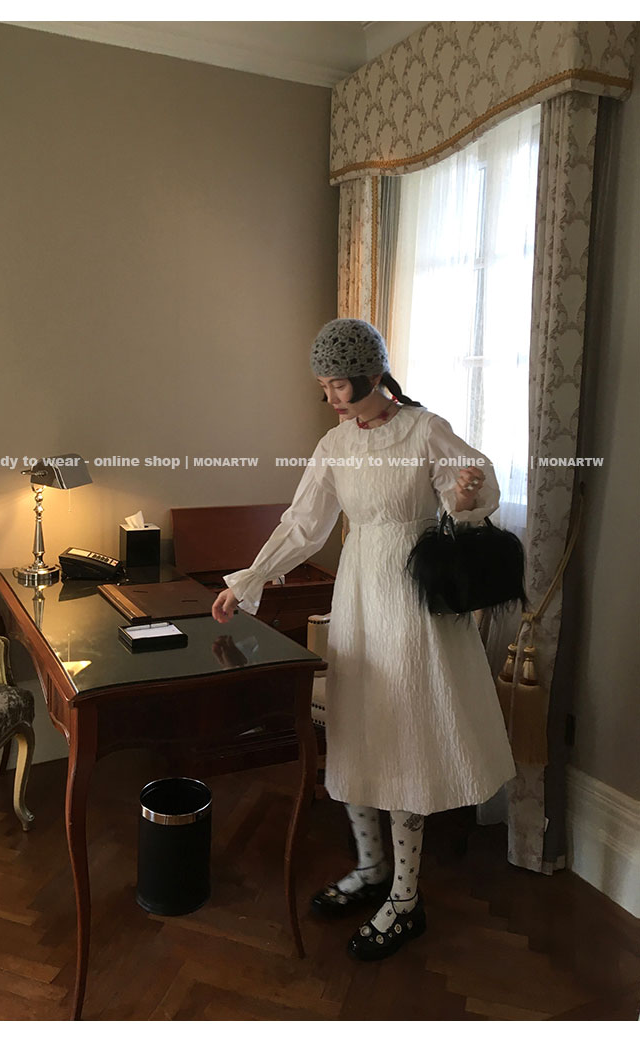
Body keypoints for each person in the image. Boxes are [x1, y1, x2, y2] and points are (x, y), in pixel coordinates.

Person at [211, 319, 515, 961]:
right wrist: (249, 580)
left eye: (337, 385)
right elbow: (304, 524)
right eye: (322, 386)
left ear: (373, 376)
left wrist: (466, 492)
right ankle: (372, 867)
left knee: (404, 737)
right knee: (356, 731)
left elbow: (472, 484)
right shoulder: (335, 444)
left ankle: (406, 897)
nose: (329, 398)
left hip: (413, 603)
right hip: (358, 597)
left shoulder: (423, 428)